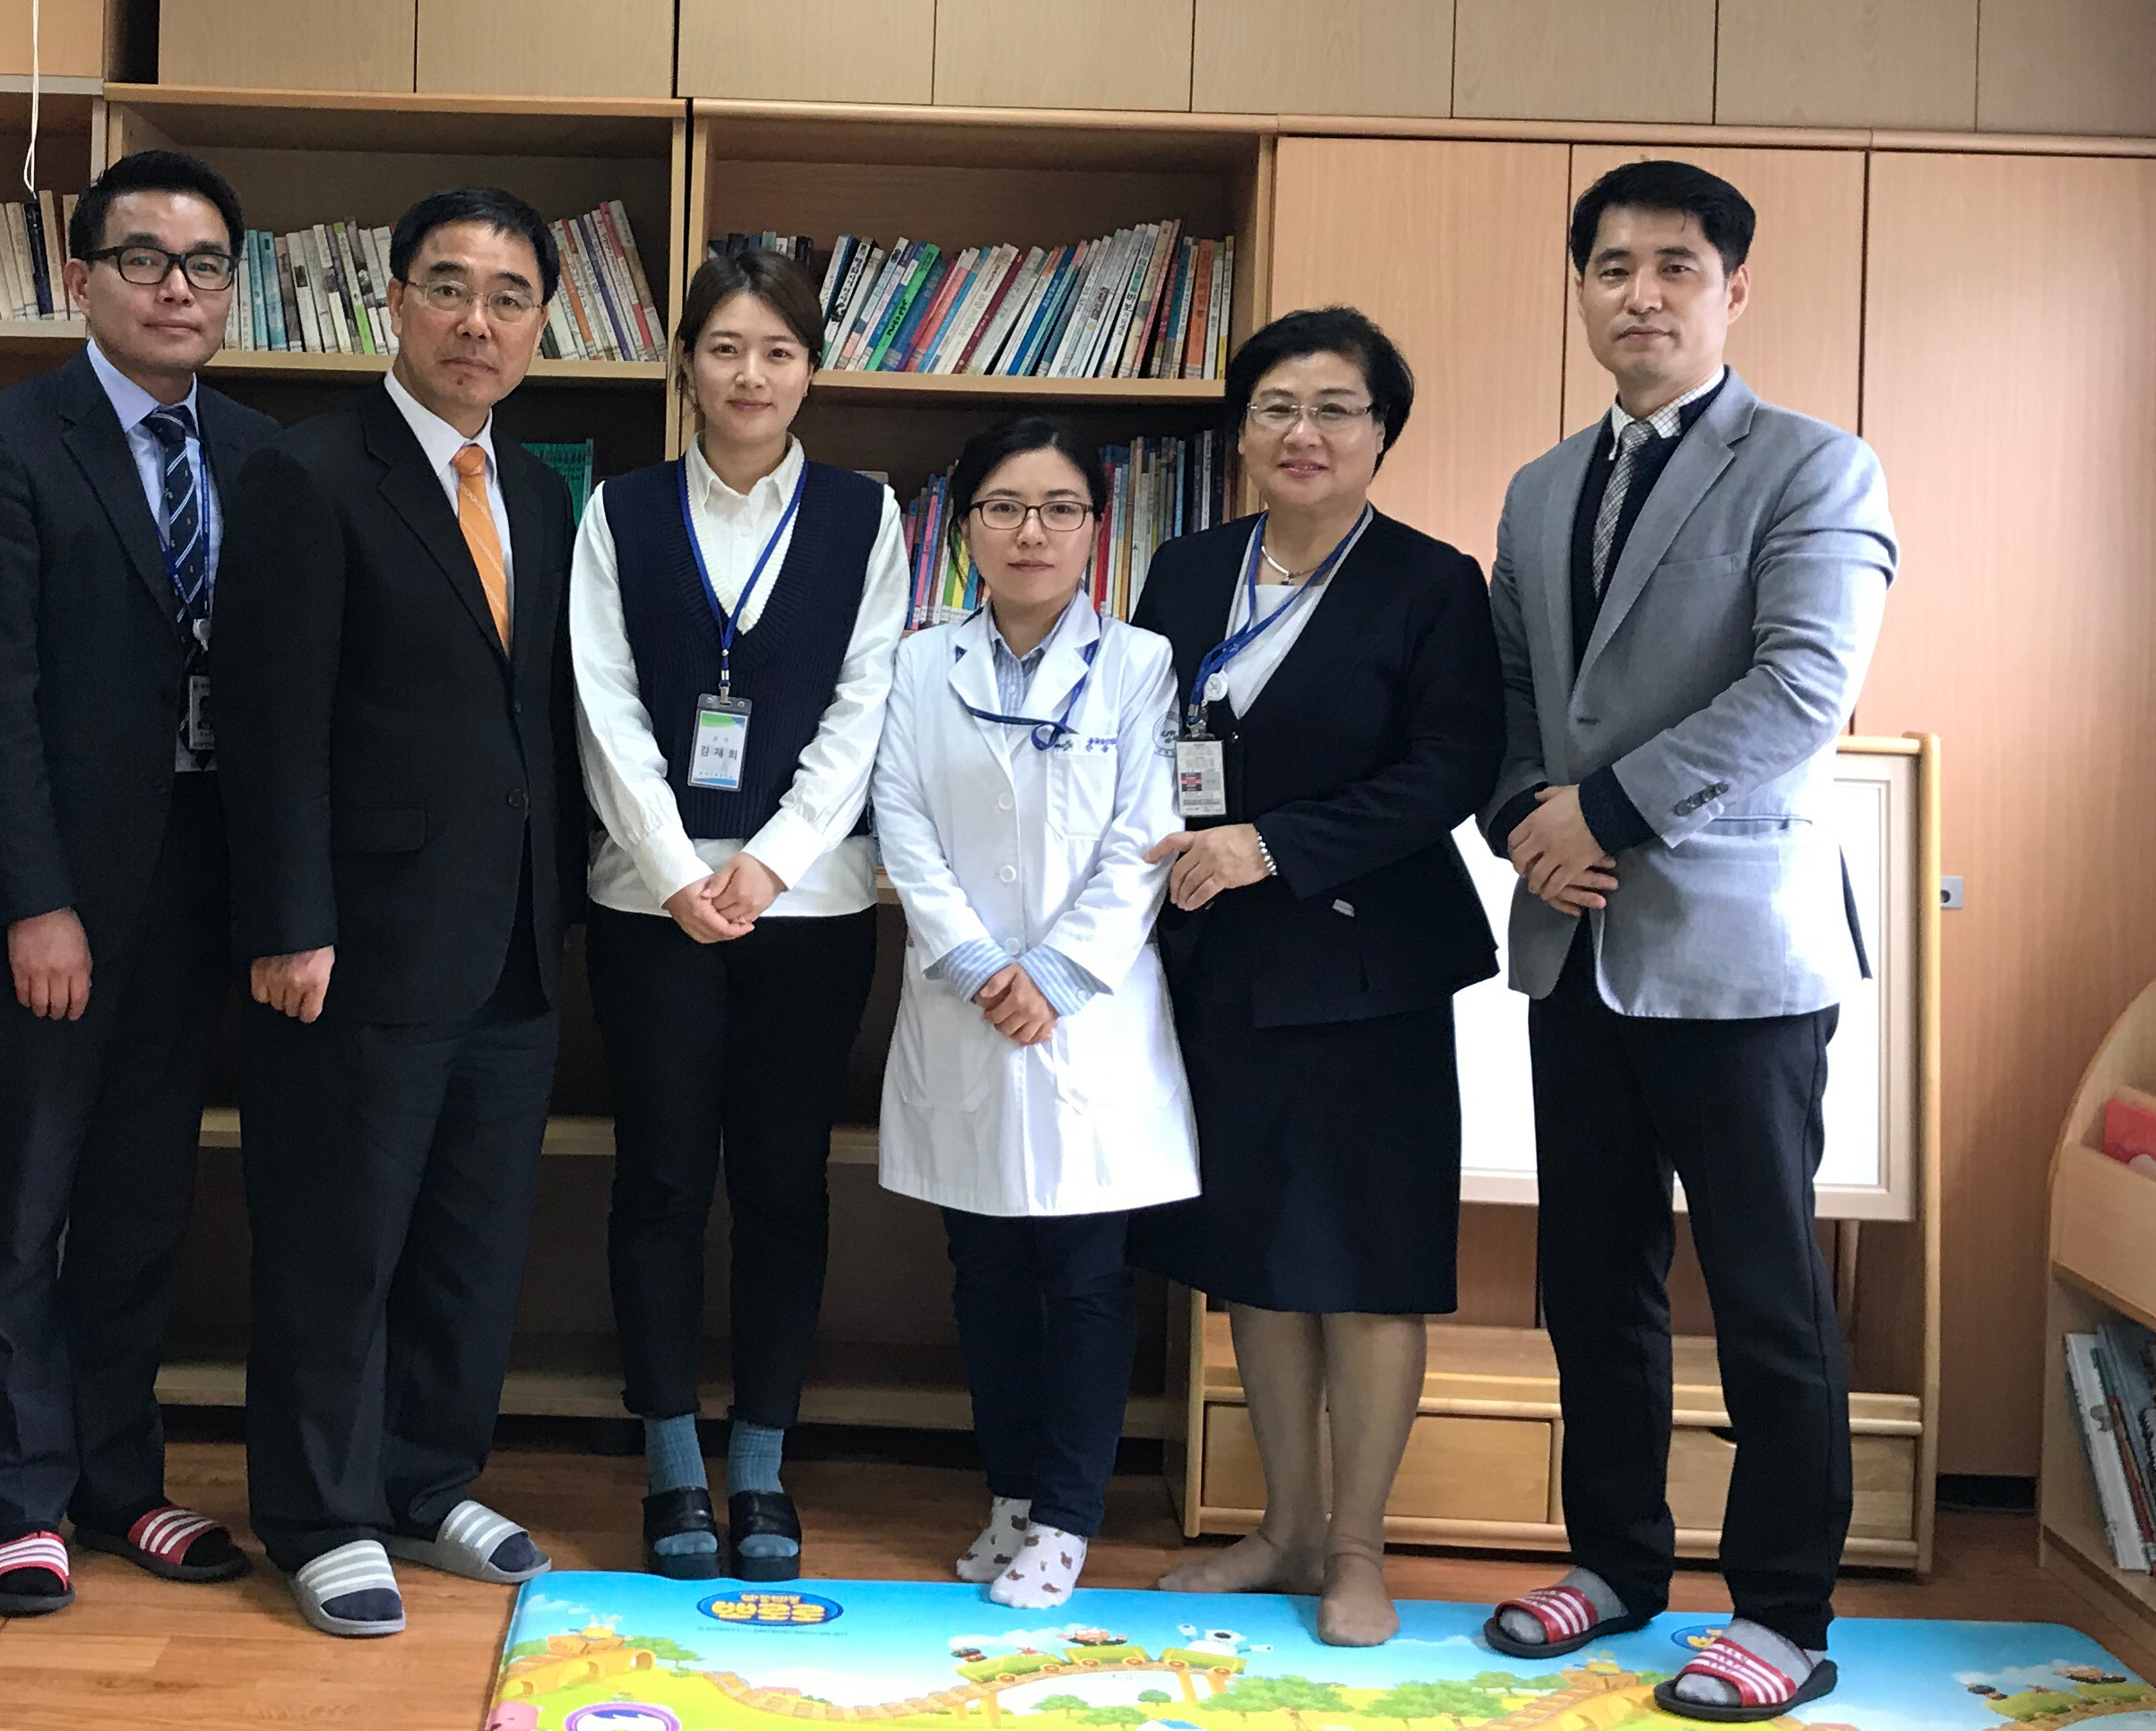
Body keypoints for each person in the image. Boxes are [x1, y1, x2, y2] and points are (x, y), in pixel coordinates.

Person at [1477, 159, 1893, 1719]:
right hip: (1574, 940)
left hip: (1739, 954)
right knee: (1594, 1282)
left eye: (1675, 266)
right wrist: (1523, 815)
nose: (1639, 293)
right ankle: (1616, 1564)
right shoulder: (1538, 488)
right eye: (1610, 266)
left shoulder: (1813, 466)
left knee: (1769, 1295)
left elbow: (1801, 690)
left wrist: (1604, 810)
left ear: (1734, 290)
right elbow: (1514, 694)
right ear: (1580, 288)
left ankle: (1784, 1612)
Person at [211, 186, 582, 1640]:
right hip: (353, 941)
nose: (478, 321)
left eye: (509, 296)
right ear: (394, 303)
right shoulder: (309, 474)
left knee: (468, 1243)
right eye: (449, 287)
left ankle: (427, 1483)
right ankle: (320, 1512)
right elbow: (269, 723)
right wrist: (286, 920)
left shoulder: (540, 491)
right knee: (337, 1239)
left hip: (509, 941)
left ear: (540, 324)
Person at [0, 149, 277, 1616]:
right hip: (56, 896)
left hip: (200, 882)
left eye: (203, 265)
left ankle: (119, 1480)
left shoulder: (259, 451)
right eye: (143, 259)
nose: (175, 289)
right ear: (82, 277)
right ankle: (17, 1499)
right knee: (26, 1194)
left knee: (144, 1198)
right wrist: (35, 900)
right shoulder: (4, 442)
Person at [1129, 307, 1504, 1644]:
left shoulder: (1431, 582)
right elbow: (1140, 735)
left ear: (1381, 433)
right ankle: (1284, 1528)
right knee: (1257, 1260)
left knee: (1369, 1265)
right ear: (1242, 432)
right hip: (1220, 962)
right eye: (1278, 407)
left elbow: (1448, 771)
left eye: (1337, 409)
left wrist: (1270, 845)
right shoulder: (1188, 570)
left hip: (1365, 969)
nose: (1306, 433)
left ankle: (1357, 1550)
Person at [573, 244, 907, 1583]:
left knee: (781, 1184)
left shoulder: (866, 515)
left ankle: (761, 1465)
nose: (750, 375)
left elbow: (865, 705)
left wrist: (767, 863)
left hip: (810, 902)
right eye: (725, 348)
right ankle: (669, 1464)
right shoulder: (620, 510)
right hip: (646, 901)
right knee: (659, 1177)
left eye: (778, 351)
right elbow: (601, 701)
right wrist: (673, 866)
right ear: (687, 365)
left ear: (811, 369)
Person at [870, 416, 1194, 1610]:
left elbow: (1148, 834)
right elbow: (900, 816)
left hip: (1086, 1017)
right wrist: (974, 961)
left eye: (1059, 509)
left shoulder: (1142, 664)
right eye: (1004, 507)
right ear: (966, 528)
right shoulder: (919, 665)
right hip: (965, 1006)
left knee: (1086, 1277)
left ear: (1095, 530)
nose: (1031, 532)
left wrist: (1051, 976)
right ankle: (1009, 1492)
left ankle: (1066, 1515)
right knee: (985, 1270)